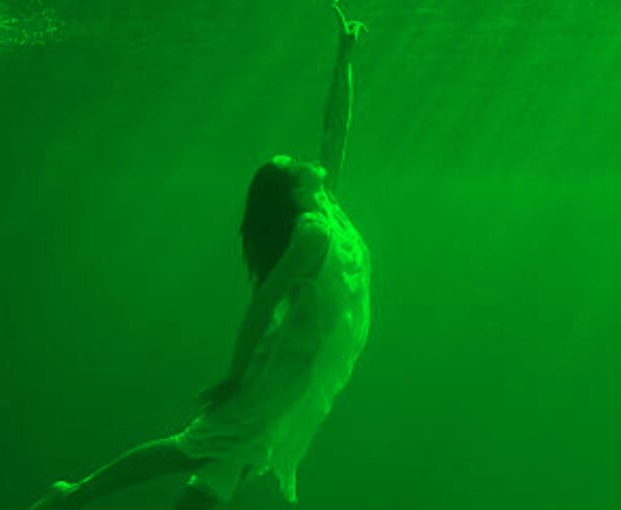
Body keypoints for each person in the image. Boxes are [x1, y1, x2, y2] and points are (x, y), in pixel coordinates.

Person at [28, 2, 369, 509]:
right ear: (289, 190)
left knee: (227, 468)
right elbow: (261, 302)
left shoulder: (325, 199)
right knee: (198, 447)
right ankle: (73, 494)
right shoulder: (312, 232)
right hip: (283, 369)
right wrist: (236, 376)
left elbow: (335, 128)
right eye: (291, 163)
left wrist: (344, 56)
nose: (301, 158)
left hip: (303, 366)